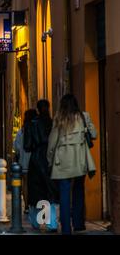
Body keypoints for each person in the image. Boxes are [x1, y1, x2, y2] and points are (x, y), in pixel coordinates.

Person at [47, 94, 97, 235]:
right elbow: (94, 134)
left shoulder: (59, 119)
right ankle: (79, 224)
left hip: (62, 162)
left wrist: (50, 160)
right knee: (78, 191)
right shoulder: (83, 117)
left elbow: (52, 142)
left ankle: (66, 229)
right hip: (80, 160)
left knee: (64, 195)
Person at [23, 99, 59, 231]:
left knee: (36, 192)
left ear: (37, 109)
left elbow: (27, 146)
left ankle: (37, 222)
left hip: (36, 160)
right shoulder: (53, 123)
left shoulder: (31, 124)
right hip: (50, 159)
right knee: (49, 191)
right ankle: (52, 224)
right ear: (48, 108)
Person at [13, 109, 38, 214]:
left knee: (25, 185)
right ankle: (36, 204)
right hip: (35, 162)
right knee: (35, 184)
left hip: (24, 163)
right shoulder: (37, 129)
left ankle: (27, 206)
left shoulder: (21, 131)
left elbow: (17, 148)